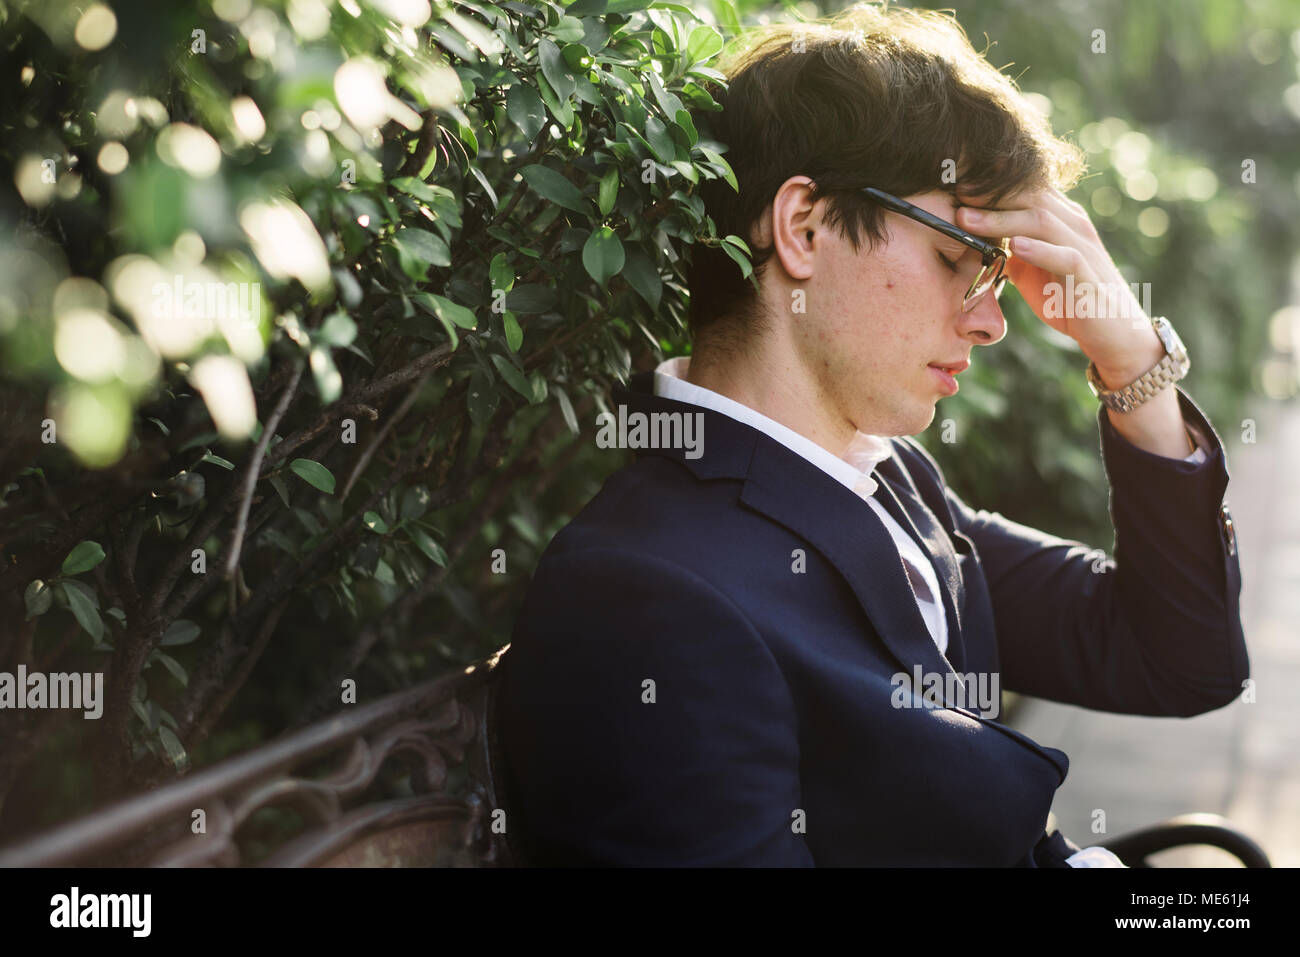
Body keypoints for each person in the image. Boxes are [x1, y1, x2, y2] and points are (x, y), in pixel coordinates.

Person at [497, 3, 1248, 866]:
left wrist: (1133, 362)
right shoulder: (647, 593)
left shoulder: (886, 479)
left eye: (995, 270)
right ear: (804, 228)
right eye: (956, 257)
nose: (991, 324)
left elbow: (1181, 659)